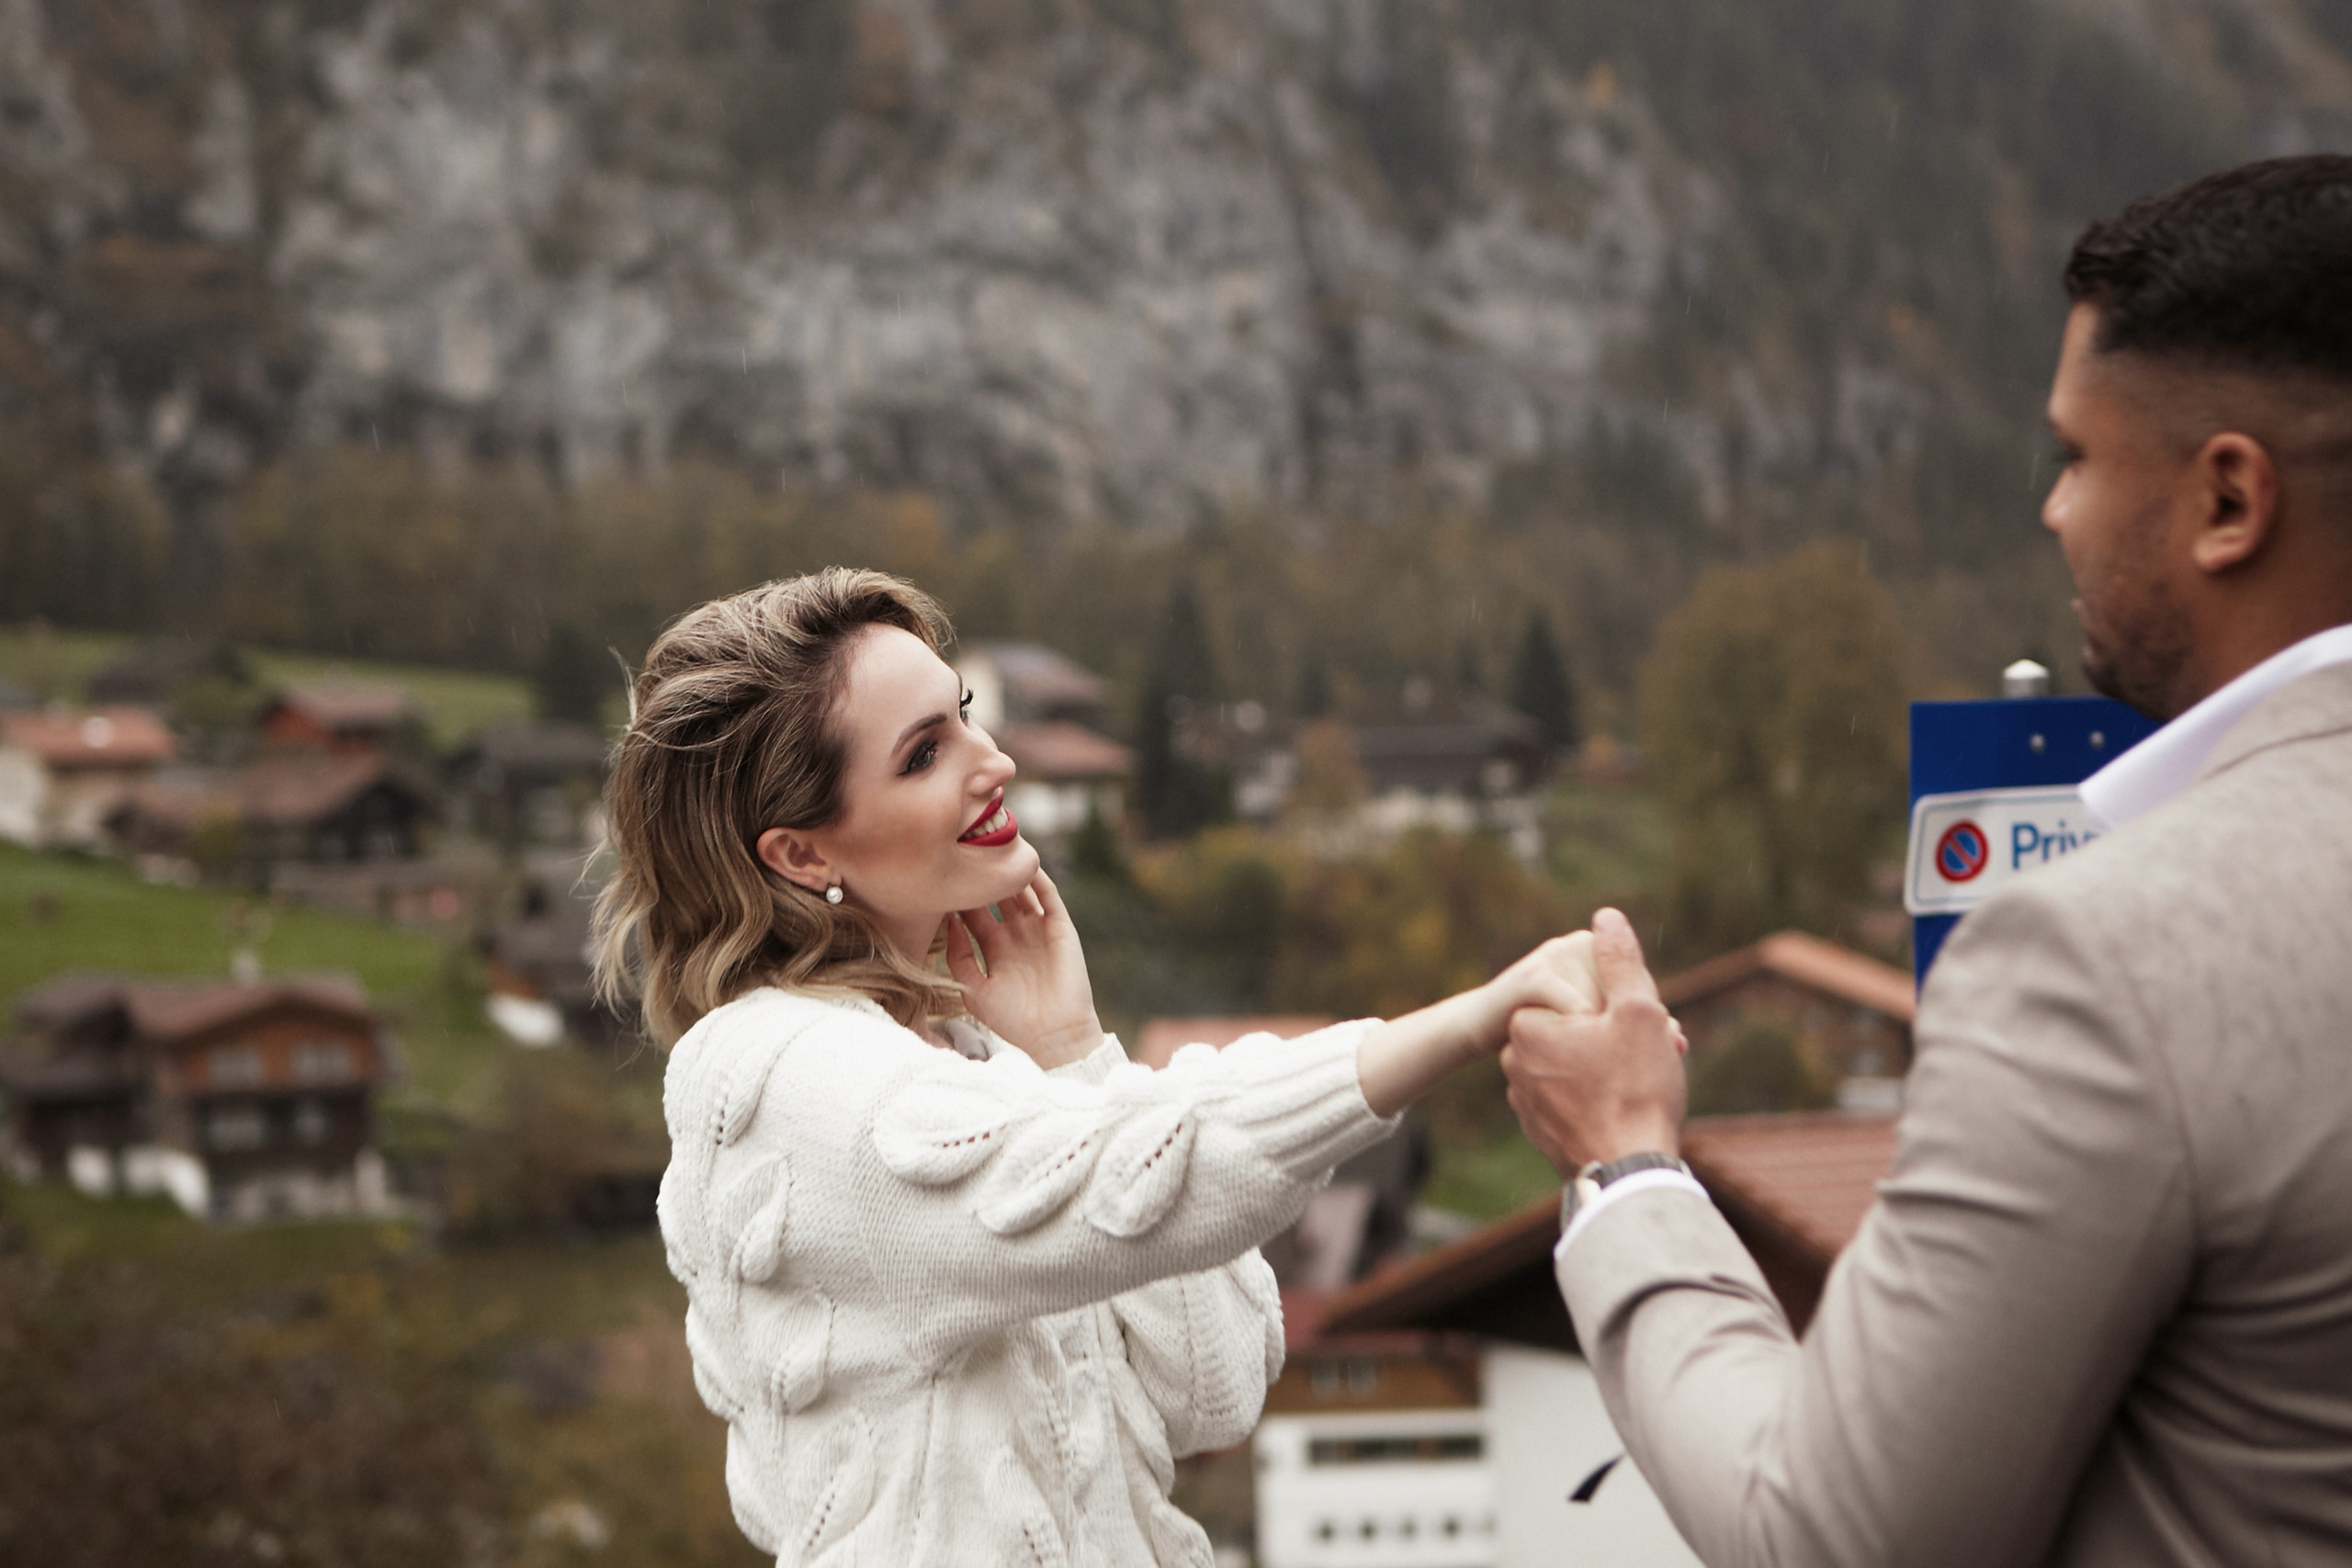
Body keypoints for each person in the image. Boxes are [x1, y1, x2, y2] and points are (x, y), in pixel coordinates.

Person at [1501, 154, 2352, 1567]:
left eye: (2077, 455)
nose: (2053, 512)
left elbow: (1835, 1535)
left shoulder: (2108, 957)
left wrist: (1624, 1165)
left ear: (2228, 501)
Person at [591, 568, 1594, 1566]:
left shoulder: (970, 1060)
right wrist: (1469, 1022)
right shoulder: (784, 1074)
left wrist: (1073, 1055)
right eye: (923, 755)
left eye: (966, 716)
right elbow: (1129, 1179)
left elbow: (1212, 1387)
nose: (996, 765)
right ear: (802, 856)